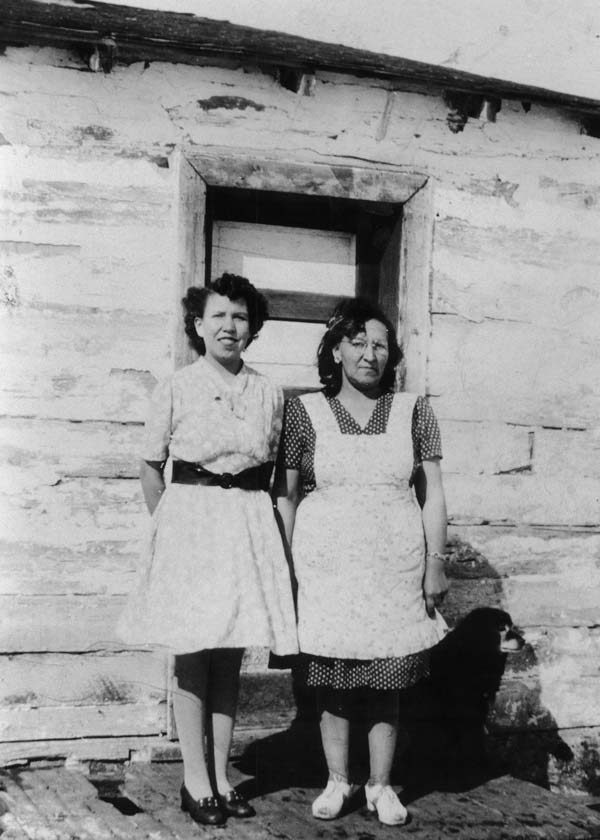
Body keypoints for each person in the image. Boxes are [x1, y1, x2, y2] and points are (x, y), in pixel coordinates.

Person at [118, 274, 298, 827]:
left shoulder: (271, 393)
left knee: (230, 656)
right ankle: (194, 781)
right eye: (218, 316)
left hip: (247, 523)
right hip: (192, 522)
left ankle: (221, 777)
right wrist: (176, 527)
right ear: (198, 325)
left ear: (254, 328)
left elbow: (281, 481)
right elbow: (152, 470)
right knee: (193, 653)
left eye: (240, 317)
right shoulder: (175, 386)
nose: (229, 326)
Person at [273, 297, 449, 826]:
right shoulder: (306, 411)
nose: (369, 354)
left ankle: (381, 785)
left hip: (393, 564)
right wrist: (283, 565)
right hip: (326, 566)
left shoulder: (414, 410)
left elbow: (433, 493)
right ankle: (338, 781)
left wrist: (435, 562)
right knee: (333, 671)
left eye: (379, 344)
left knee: (387, 673)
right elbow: (287, 495)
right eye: (357, 342)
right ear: (336, 350)